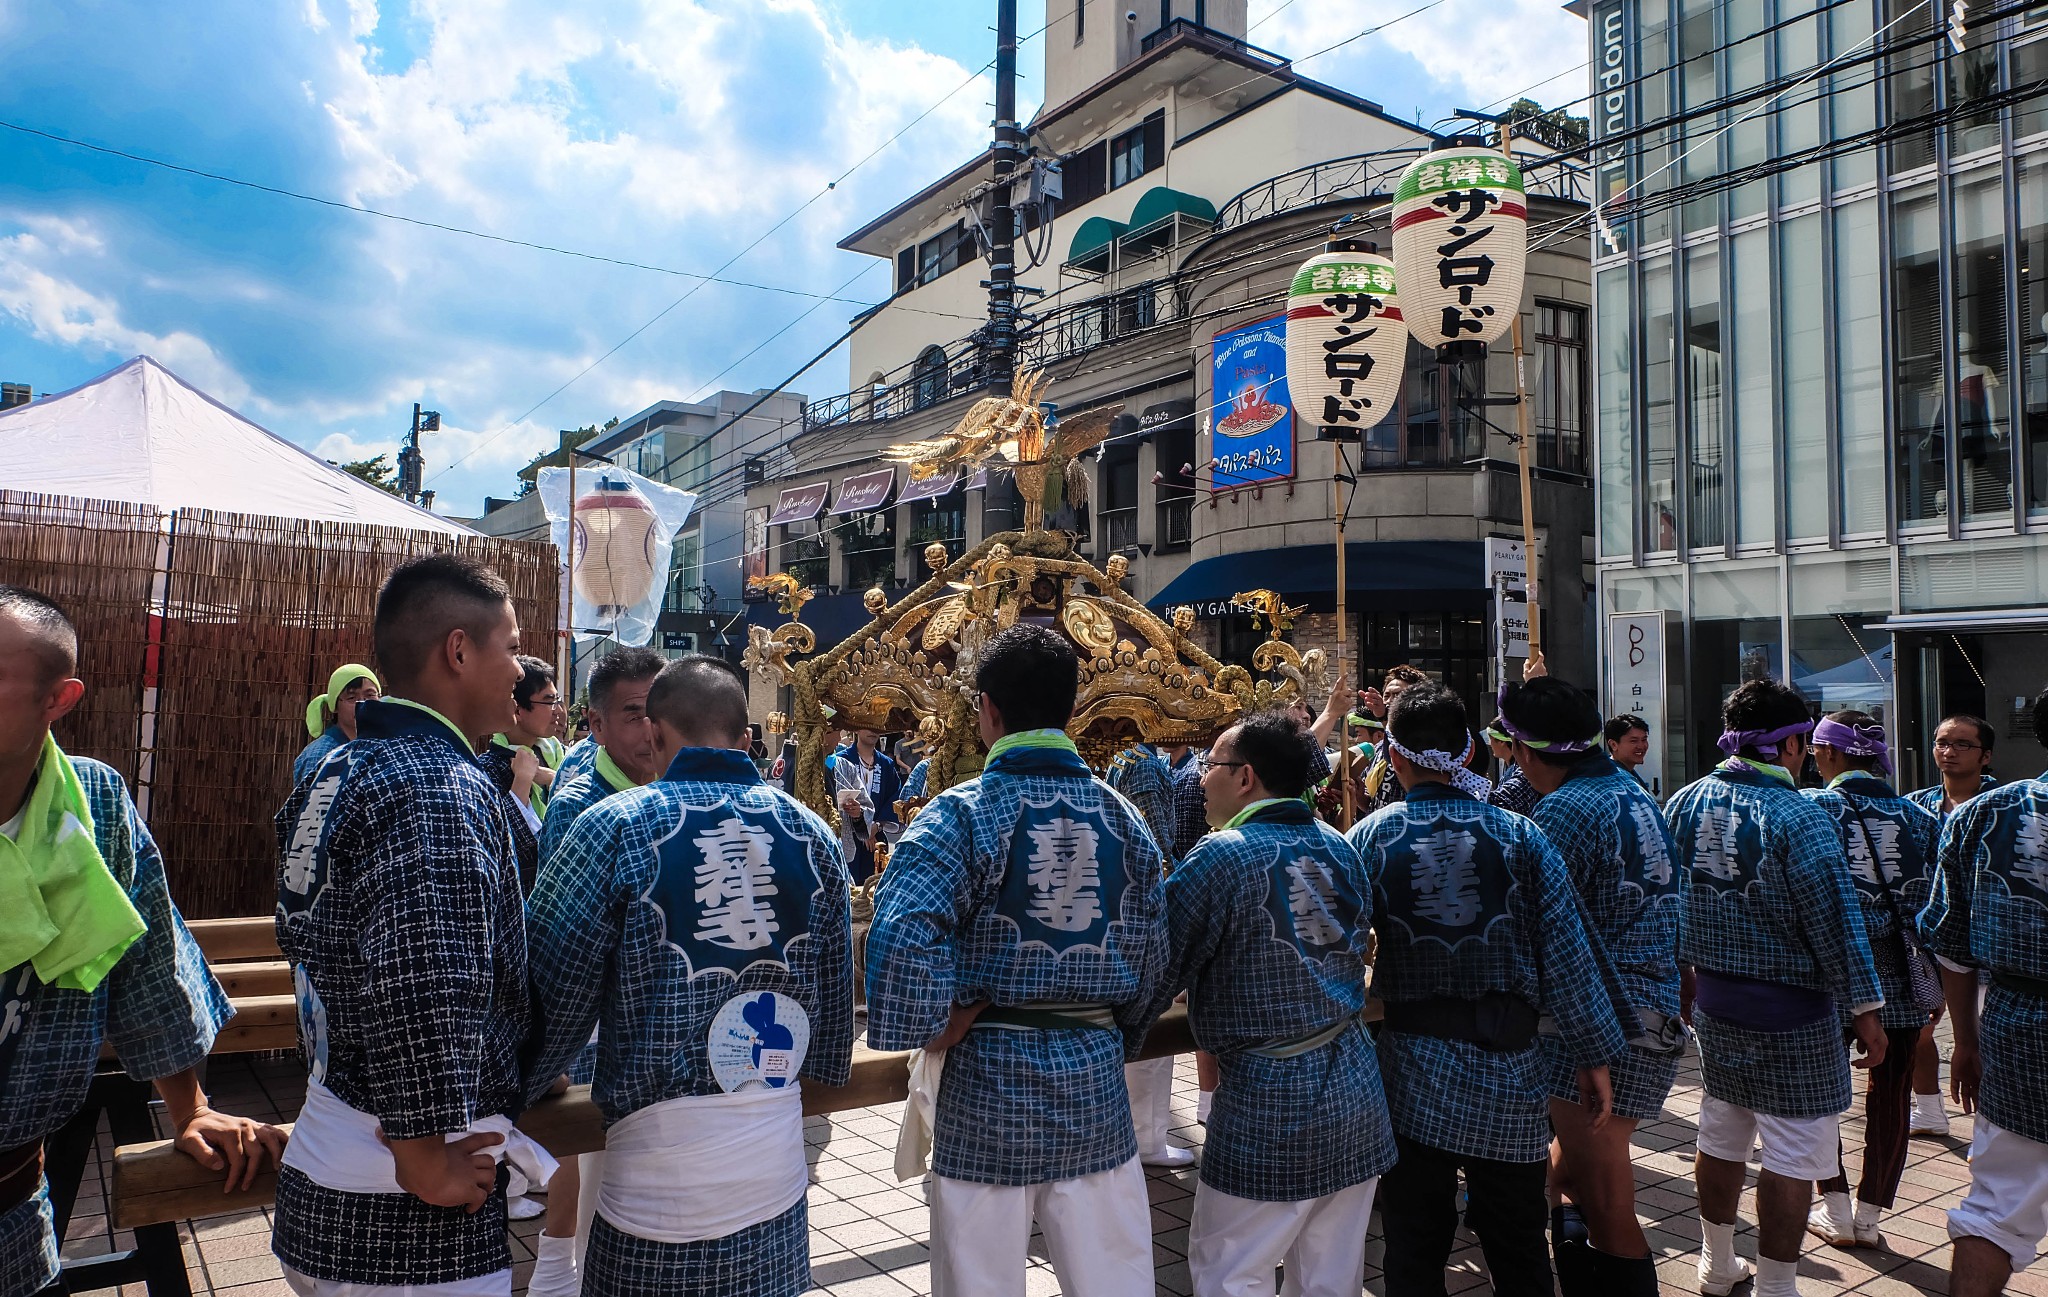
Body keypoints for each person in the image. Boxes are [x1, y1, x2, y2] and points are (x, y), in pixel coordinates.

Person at [525, 655, 854, 1297]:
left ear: (654, 733)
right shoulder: (812, 833)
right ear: (745, 738)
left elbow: (551, 989)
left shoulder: (613, 827)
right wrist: (824, 1068)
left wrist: (526, 1079)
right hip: (776, 1164)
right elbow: (835, 998)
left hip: (655, 1181)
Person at [271, 554, 550, 1296]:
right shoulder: (435, 782)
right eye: (511, 645)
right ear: (458, 650)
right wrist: (422, 1152)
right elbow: (423, 978)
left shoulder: (342, 767)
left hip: (330, 1155)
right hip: (401, 1201)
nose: (520, 668)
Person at [865, 624, 1166, 1297]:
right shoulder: (1125, 817)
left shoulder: (958, 813)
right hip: (1095, 1087)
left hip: (985, 1089)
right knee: (1114, 1282)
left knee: (980, 1284)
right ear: (1070, 708)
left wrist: (934, 1021)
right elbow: (1154, 957)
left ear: (987, 710)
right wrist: (1118, 1034)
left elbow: (899, 934)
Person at [0, 586, 284, 1297]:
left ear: (58, 698)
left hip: (9, 1203)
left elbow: (150, 959)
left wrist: (190, 1110)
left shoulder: (93, 803)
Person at [1347, 681, 1629, 1297]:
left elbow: (1340, 953)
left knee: (1413, 1245)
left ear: (1393, 756)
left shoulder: (1368, 840)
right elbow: (1568, 955)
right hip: (1510, 1068)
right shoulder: (1523, 836)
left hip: (1407, 1067)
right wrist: (1594, 1055)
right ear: (1471, 749)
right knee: (1518, 1243)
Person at [1151, 709, 1395, 1296]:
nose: (1202, 778)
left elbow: (1153, 971)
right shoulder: (1339, 844)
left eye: (1212, 765)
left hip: (1269, 1100)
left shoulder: (1222, 855)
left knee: (1232, 1270)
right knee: (1331, 1276)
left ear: (1246, 778)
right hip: (1357, 1089)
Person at [1665, 680, 1887, 1297]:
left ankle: (1715, 1261)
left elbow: (1668, 899)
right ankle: (1778, 1285)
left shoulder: (1684, 800)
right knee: (1793, 1152)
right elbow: (1836, 919)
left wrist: (1681, 974)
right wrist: (1866, 1010)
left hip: (1712, 1001)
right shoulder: (1801, 814)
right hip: (1793, 1010)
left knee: (1721, 1132)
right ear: (1791, 743)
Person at [1488, 678, 1679, 1296]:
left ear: (1529, 750)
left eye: (1514, 750)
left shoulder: (1567, 810)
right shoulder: (1629, 789)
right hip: (1652, 1009)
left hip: (1597, 1024)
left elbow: (1546, 933)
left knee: (1608, 1206)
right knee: (1566, 1177)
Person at [526, 644, 667, 1295]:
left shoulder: (672, 793)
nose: (650, 729)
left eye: (659, 712)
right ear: (595, 722)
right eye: (633, 713)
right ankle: (557, 1268)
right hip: (595, 1030)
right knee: (591, 1171)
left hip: (660, 1037)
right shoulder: (579, 799)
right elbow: (557, 941)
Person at [1917, 684, 2048, 1297]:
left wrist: (1964, 1041)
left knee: (1996, 1210)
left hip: (2018, 1025)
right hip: (2015, 1021)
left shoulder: (1983, 816)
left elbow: (1950, 942)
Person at [1797, 711, 1942, 1250]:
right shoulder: (1920, 817)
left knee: (1818, 1094)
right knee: (1891, 1098)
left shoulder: (1812, 811)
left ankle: (1833, 1206)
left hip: (1829, 978)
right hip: (1903, 977)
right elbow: (1937, 907)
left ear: (1830, 754)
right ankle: (1871, 1216)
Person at [1906, 713, 2000, 1137]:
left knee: (1983, 1038)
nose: (1949, 751)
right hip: (1926, 937)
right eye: (1942, 742)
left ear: (1986, 756)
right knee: (1918, 1028)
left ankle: (1991, 1119)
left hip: (1984, 943)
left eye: (1962, 744)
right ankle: (1928, 1108)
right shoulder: (1914, 805)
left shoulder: (2004, 805)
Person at [1108, 737, 1197, 1170]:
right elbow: (1158, 845)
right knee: (1151, 1025)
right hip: (1145, 899)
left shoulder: (1129, 758)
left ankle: (1142, 1136)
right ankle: (1147, 1139)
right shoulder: (1142, 763)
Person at [492, 655, 567, 824]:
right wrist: (522, 782)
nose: (558, 711)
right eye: (549, 702)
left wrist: (553, 778)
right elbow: (504, 835)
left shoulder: (558, 753)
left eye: (557, 700)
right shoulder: (492, 769)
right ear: (518, 710)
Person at [832, 727, 901, 883]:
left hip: (877, 839)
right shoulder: (841, 760)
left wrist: (874, 827)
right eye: (867, 726)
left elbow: (895, 797)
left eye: (877, 727)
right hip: (848, 834)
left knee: (873, 886)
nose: (873, 731)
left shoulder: (886, 764)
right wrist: (862, 826)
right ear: (856, 728)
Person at [1356, 663, 1429, 811]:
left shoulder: (1424, 746)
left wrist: (1384, 717)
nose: (1389, 701)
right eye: (1387, 695)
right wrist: (1354, 793)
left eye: (1398, 695)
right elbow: (1372, 804)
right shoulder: (1377, 750)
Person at [294, 664, 381, 785]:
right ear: (335, 706)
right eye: (351, 697)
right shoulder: (322, 754)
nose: (362, 703)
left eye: (370, 695)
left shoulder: (377, 746)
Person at [1483, 717, 1541, 817]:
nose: (1489, 744)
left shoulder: (1522, 773)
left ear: (1501, 741)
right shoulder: (1511, 768)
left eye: (1491, 739)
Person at [1604, 714, 1651, 785]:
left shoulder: (1629, 774)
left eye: (1644, 740)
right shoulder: (1612, 779)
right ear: (1613, 744)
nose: (1641, 746)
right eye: (1633, 741)